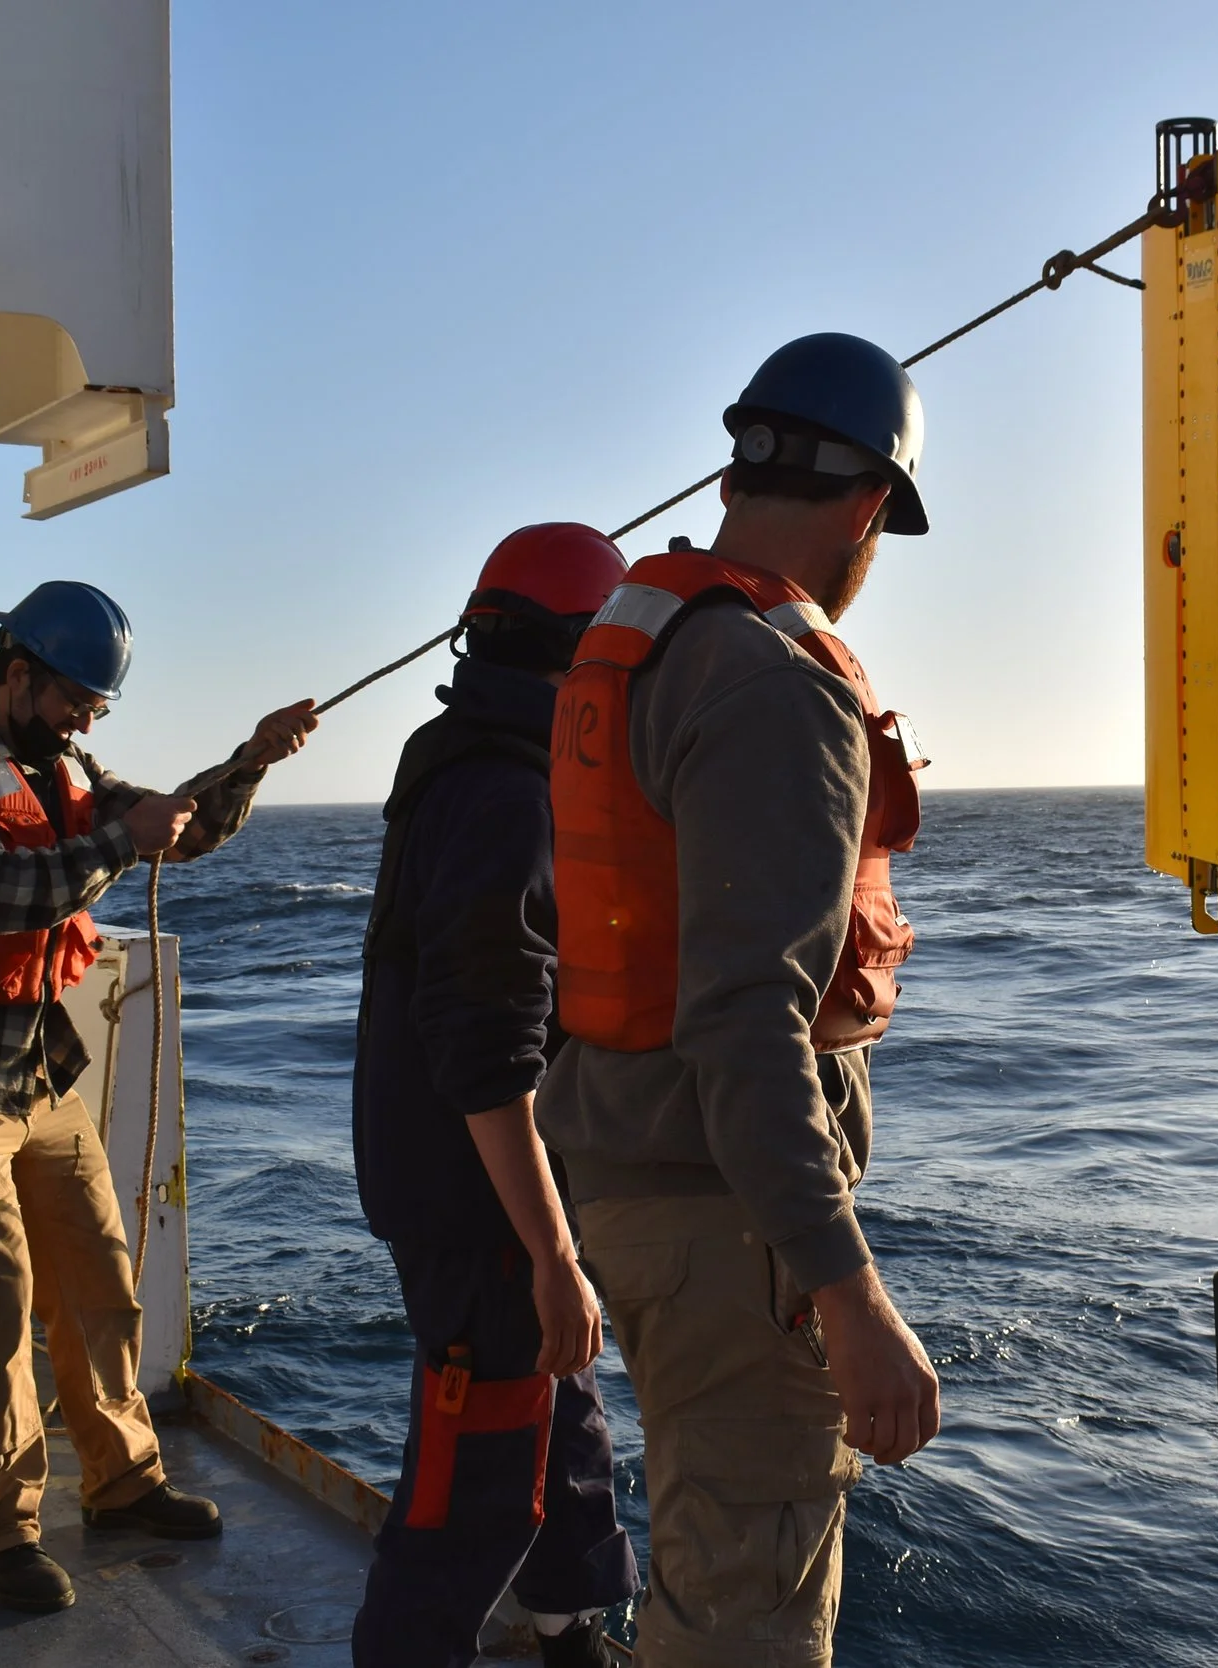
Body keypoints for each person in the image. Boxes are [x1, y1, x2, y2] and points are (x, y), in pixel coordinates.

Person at [537, 334, 942, 1666]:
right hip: (728, 1228)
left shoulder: (632, 642)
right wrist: (850, 1289)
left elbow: (568, 929)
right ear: (870, 506)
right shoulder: (777, 682)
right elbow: (744, 1019)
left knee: (704, 1576)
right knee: (749, 1619)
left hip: (627, 1179)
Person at [0, 580, 316, 1614]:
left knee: (99, 1283)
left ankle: (123, 1481)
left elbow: (170, 830)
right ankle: (1, 1534)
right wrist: (120, 840)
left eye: (97, 709)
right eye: (75, 700)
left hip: (33, 1071)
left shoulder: (56, 767)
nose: (87, 722)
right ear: (17, 675)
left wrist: (247, 760)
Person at [350, 525, 640, 1668]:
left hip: (482, 1199)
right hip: (483, 1213)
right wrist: (551, 1251)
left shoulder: (460, 758)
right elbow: (485, 1047)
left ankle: (568, 1633)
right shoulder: (506, 798)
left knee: (560, 1424)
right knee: (469, 1488)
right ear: (576, 658)